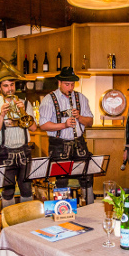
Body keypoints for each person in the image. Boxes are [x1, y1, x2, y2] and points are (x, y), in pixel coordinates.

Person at [0, 67, 37, 208]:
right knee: (7, 192)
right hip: (4, 153)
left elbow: (33, 128)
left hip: (24, 151)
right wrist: (2, 116)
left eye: (12, 85)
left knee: (27, 191)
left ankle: (25, 222)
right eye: (6, 86)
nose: (10, 89)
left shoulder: (25, 103)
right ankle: (9, 224)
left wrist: (23, 112)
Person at [38, 66, 95, 203]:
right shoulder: (49, 99)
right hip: (59, 145)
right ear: (59, 83)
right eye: (67, 84)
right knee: (61, 181)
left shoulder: (81, 98)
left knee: (87, 177)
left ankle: (89, 208)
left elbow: (90, 122)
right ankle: (62, 211)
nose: (70, 87)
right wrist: (64, 125)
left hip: (79, 143)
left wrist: (79, 117)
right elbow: (43, 125)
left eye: (72, 84)